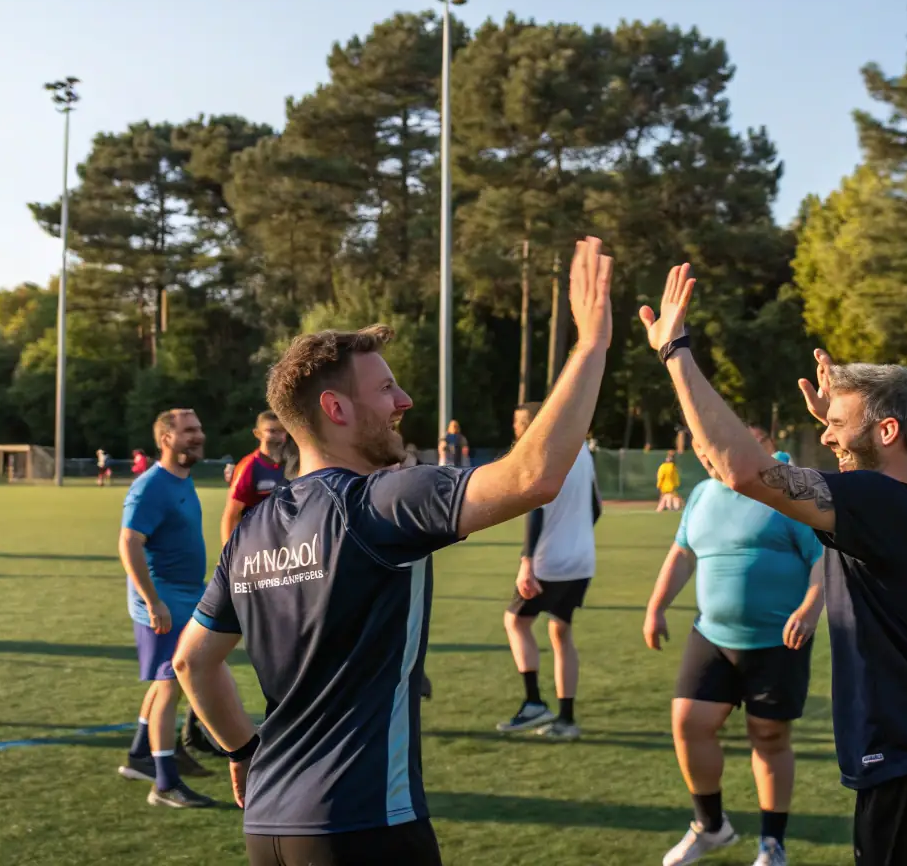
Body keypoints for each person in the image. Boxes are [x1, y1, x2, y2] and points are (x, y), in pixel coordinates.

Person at [171, 237, 613, 866]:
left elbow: (193, 663)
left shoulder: (251, 530)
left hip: (269, 832)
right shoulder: (379, 503)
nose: (404, 401)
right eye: (386, 390)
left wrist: (243, 752)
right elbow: (531, 478)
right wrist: (590, 343)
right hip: (363, 826)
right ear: (335, 408)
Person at [638, 263, 907, 866]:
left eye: (836, 427)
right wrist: (843, 427)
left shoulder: (880, 502)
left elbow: (744, 471)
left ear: (887, 431)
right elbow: (851, 466)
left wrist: (676, 352)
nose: (828, 437)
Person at [645, 436, 824, 866]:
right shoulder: (704, 493)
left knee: (769, 736)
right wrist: (656, 607)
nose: (706, 458)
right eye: (702, 452)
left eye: (715, 448)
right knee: (689, 722)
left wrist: (809, 608)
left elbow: (823, 558)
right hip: (713, 635)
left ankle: (772, 844)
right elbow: (683, 552)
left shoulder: (787, 490)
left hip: (779, 639)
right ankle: (711, 827)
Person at [116, 408, 216, 809]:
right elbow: (129, 543)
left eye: (199, 428)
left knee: (164, 683)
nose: (197, 436)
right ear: (166, 439)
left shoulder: (180, 479)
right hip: (163, 604)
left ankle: (142, 756)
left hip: (183, 597)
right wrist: (154, 602)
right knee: (172, 685)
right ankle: (165, 783)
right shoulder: (151, 486)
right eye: (188, 431)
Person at [497, 401, 601, 740]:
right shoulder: (582, 449)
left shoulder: (542, 450)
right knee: (561, 632)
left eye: (517, 421)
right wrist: (577, 537)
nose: (514, 428)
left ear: (529, 423)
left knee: (516, 621)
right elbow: (596, 506)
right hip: (581, 559)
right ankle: (566, 719)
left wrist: (526, 561)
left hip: (549, 562)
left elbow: (536, 510)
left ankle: (533, 703)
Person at [220, 411, 288, 546]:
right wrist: (228, 556)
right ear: (258, 434)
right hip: (256, 546)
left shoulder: (291, 463)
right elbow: (231, 515)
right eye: (272, 431)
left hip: (286, 545)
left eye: (282, 431)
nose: (278, 437)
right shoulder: (249, 467)